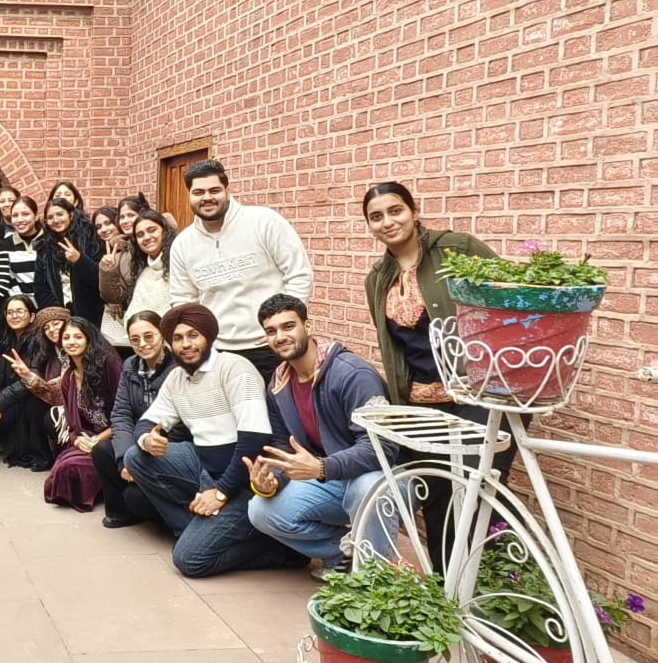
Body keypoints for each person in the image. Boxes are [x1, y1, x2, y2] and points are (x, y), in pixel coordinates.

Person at [362, 181, 504, 572]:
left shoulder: (457, 249)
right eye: (376, 217)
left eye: (395, 211)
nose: (388, 222)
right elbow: (395, 348)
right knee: (437, 497)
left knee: (477, 490)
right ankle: (447, 591)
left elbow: (508, 298)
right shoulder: (378, 279)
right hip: (423, 406)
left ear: (413, 211)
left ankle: (492, 589)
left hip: (478, 396)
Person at [123, 303, 299, 578]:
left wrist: (220, 494)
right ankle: (194, 531)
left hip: (247, 483)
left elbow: (254, 440)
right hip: (205, 466)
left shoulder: (235, 368)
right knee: (135, 456)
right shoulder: (177, 378)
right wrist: (148, 439)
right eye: (178, 338)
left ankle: (281, 551)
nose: (185, 344)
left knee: (188, 560)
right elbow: (147, 421)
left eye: (193, 335)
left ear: (208, 336)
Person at [245, 294, 397, 578]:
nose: (280, 337)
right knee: (261, 511)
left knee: (367, 487)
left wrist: (322, 467)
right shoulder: (279, 382)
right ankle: (342, 558)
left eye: (288, 326)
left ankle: (375, 579)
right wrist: (271, 481)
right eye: (271, 331)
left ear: (308, 326)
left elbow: (381, 448)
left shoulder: (352, 374)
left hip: (384, 478)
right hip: (331, 479)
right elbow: (283, 445)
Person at [168, 159, 313, 379]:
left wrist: (282, 328)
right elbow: (183, 300)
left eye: (214, 190)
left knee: (278, 403)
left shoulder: (264, 222)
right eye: (198, 192)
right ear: (189, 195)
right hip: (217, 352)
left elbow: (299, 274)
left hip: (270, 348)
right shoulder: (182, 244)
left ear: (227, 191)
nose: (207, 197)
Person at [97, 310, 171, 528]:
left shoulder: (176, 368)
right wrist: (125, 459)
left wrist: (139, 455)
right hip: (136, 440)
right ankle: (120, 513)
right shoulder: (130, 365)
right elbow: (121, 414)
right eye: (135, 339)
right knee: (102, 450)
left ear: (162, 335)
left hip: (163, 443)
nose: (143, 344)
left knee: (135, 499)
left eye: (149, 336)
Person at [44, 318, 122, 512]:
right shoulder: (68, 377)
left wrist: (97, 441)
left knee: (71, 469)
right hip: (87, 439)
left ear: (88, 339)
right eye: (66, 338)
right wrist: (78, 440)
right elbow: (72, 424)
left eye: (78, 337)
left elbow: (125, 415)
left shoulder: (110, 366)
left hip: (115, 438)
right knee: (61, 470)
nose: (71, 342)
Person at [0, 306, 69, 471]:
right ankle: (39, 456)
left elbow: (59, 386)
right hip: (41, 395)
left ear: (31, 316)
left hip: (74, 403)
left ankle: (55, 455)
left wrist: (2, 400)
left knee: (35, 405)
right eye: (46, 327)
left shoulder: (44, 343)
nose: (51, 329)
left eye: (56, 324)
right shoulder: (47, 348)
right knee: (30, 404)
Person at [34, 198, 105, 326]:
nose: (56, 220)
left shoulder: (90, 239)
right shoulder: (44, 247)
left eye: (60, 214)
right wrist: (57, 312)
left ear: (71, 215)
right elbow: (40, 287)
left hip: (91, 314)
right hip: (60, 316)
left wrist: (79, 260)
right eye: (50, 217)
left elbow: (100, 280)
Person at [121, 211, 175, 321]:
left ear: (165, 232)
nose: (146, 237)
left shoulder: (180, 266)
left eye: (152, 230)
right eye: (140, 235)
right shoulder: (144, 274)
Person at [91, 206, 130, 349]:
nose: (104, 229)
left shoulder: (131, 247)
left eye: (108, 223)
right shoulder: (96, 250)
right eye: (99, 226)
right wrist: (109, 299)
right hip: (114, 319)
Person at [5, 197, 44, 303]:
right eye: (15, 215)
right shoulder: (5, 245)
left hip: (51, 304)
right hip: (21, 305)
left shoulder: (49, 240)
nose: (20, 220)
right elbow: (8, 279)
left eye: (25, 214)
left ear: (36, 216)